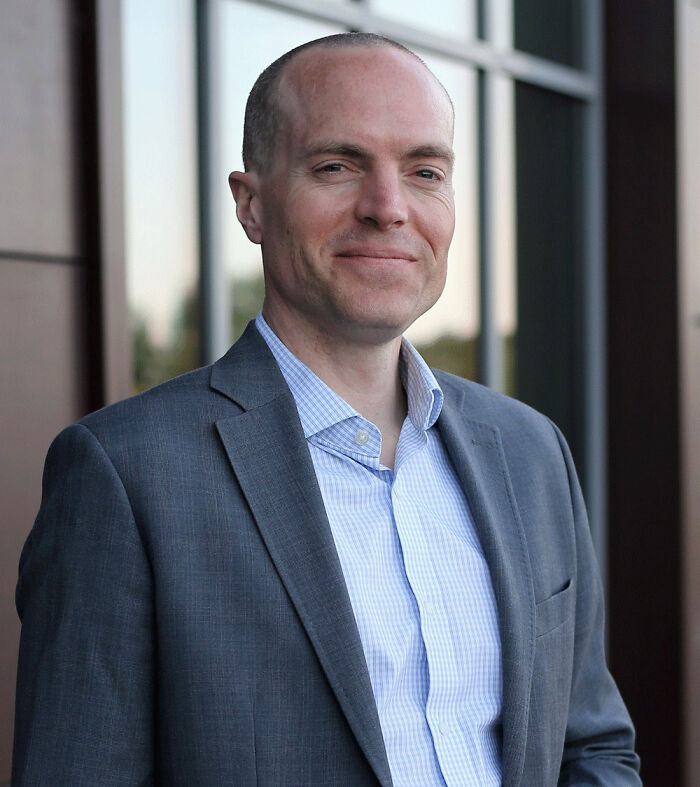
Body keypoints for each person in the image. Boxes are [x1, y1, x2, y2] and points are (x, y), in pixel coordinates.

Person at [13, 33, 640, 786]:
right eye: (337, 166)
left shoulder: (532, 451)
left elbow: (592, 748)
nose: (387, 207)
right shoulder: (125, 474)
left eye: (424, 171)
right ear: (251, 204)